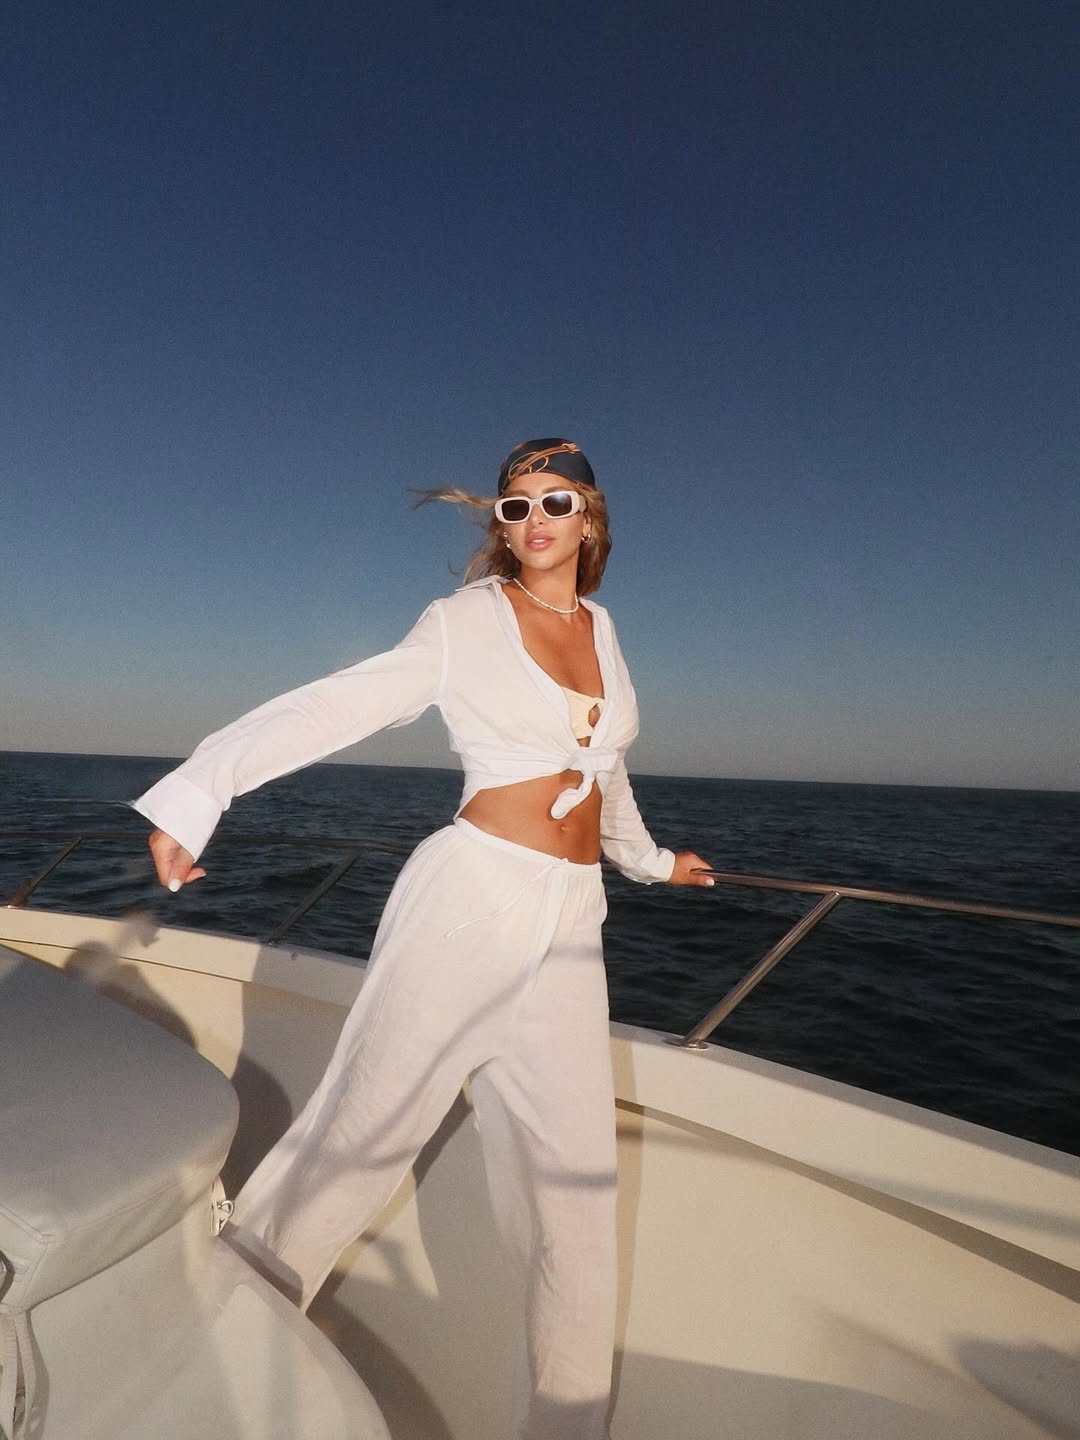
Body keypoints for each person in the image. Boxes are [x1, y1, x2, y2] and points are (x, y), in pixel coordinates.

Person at [134, 438, 713, 1440]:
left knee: (574, 1196)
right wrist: (200, 792)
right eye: (515, 505)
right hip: (469, 898)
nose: (534, 519)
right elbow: (342, 702)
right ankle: (205, 1373)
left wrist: (652, 862)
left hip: (572, 921)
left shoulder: (603, 628)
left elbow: (604, 770)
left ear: (590, 517)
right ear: (501, 524)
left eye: (556, 501)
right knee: (358, 1140)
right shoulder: (466, 620)